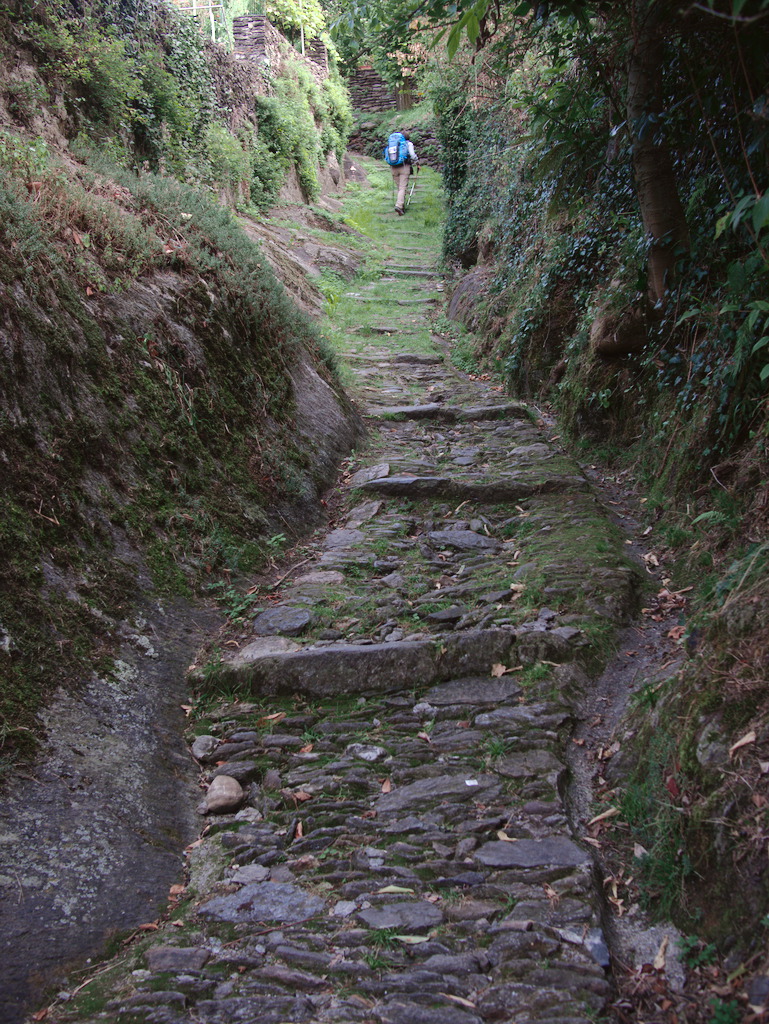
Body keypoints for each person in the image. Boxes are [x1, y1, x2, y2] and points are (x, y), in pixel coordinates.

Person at [390, 130, 419, 216]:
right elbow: (412, 155)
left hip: (393, 167)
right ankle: (399, 206)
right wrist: (417, 162)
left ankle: (401, 207)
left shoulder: (394, 144)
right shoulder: (408, 144)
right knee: (403, 188)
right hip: (404, 167)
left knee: (399, 188)